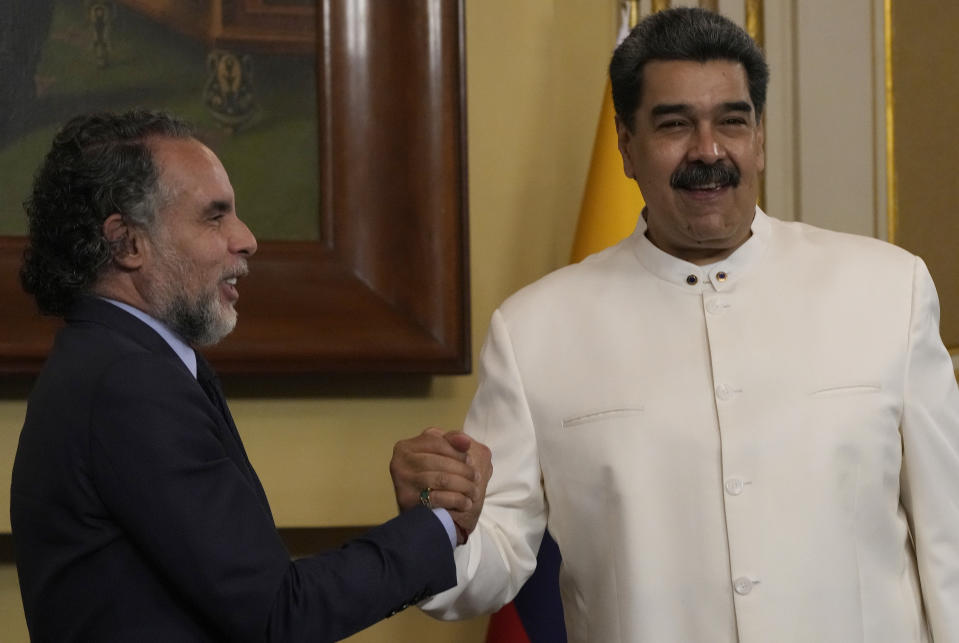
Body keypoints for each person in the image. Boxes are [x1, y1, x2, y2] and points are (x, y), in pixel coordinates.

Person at [392, 7, 959, 642]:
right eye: (674, 125)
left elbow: (951, 539)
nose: (709, 151)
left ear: (760, 138)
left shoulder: (888, 289)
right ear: (626, 145)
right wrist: (437, 514)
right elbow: (487, 569)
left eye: (732, 122)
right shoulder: (534, 330)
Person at [10, 110, 491, 642]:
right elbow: (277, 614)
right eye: (214, 217)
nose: (246, 239)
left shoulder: (114, 361)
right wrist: (440, 522)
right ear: (126, 244)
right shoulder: (129, 382)